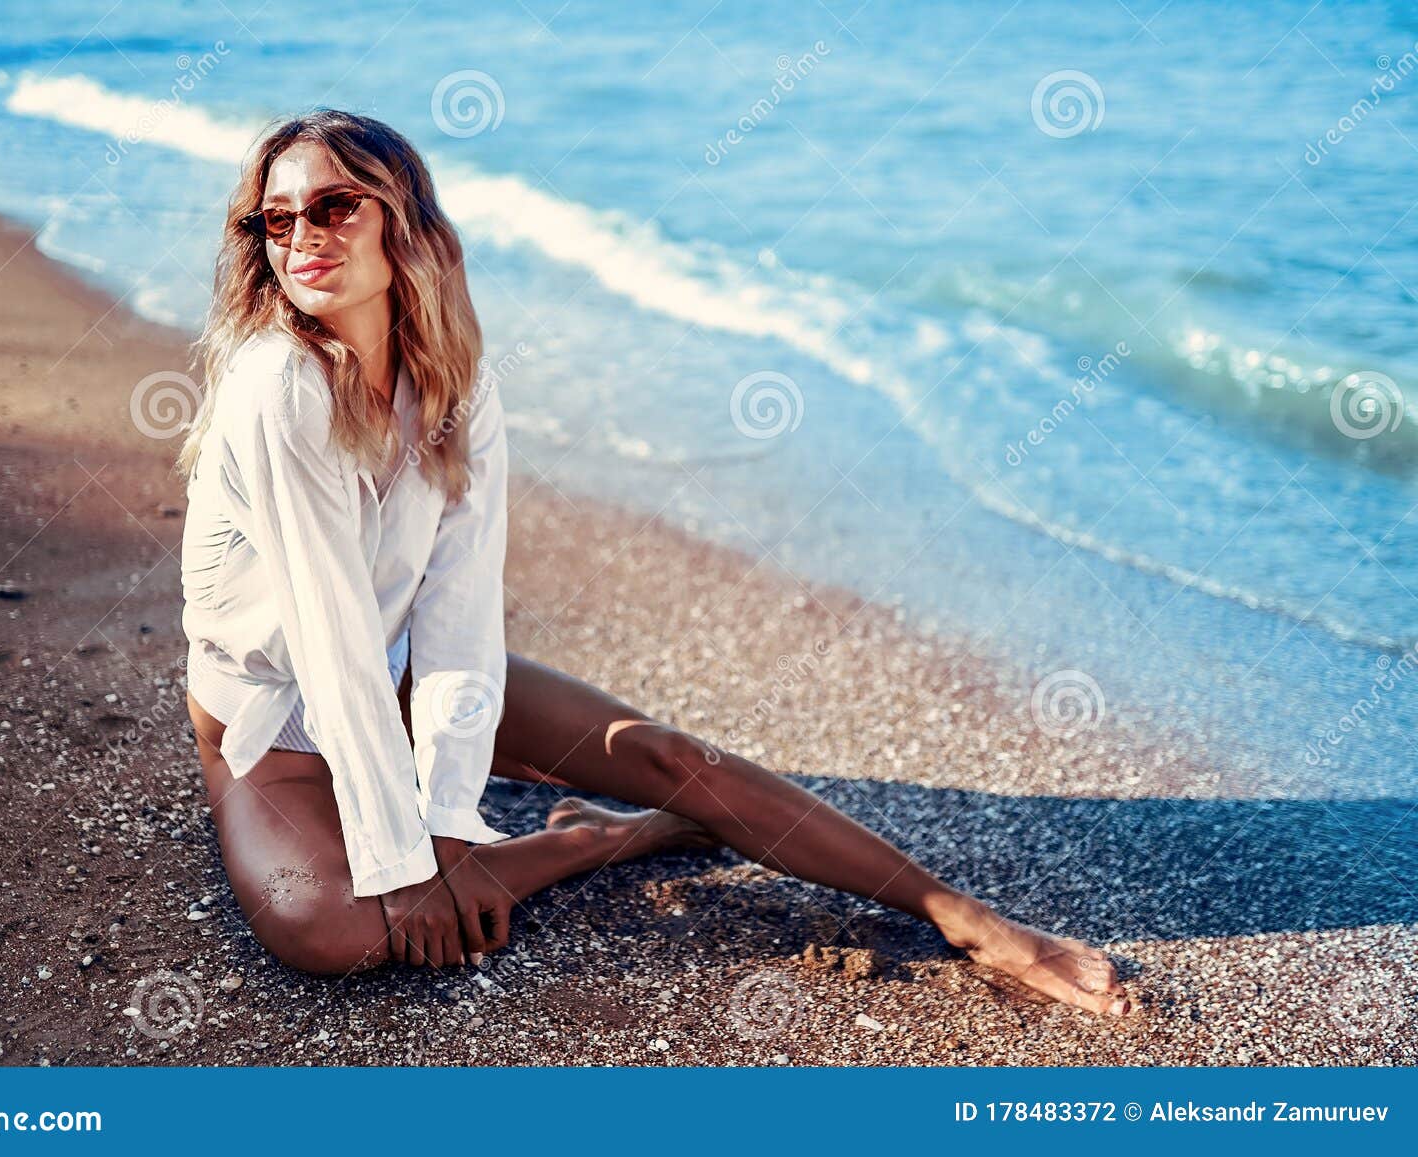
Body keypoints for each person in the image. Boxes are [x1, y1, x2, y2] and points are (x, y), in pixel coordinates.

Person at [177, 109, 1134, 1018]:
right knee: (331, 926)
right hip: (272, 716)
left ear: (404, 223)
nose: (303, 232)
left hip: (392, 669)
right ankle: (602, 838)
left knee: (674, 757)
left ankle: (960, 916)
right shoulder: (278, 388)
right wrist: (409, 861)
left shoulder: (451, 381)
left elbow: (459, 613)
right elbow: (328, 632)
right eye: (278, 217)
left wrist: (447, 821)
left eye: (336, 205)